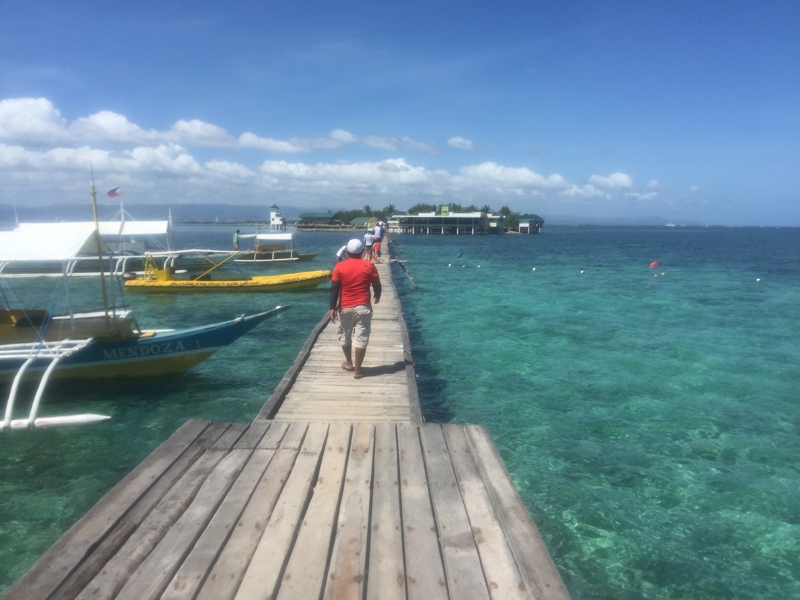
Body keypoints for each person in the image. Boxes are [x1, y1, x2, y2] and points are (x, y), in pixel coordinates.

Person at [329, 239, 381, 379]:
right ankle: (357, 371)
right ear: (362, 251)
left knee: (345, 335)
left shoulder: (339, 266)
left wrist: (332, 307)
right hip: (363, 307)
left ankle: (348, 363)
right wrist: (377, 295)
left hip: (345, 307)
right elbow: (377, 284)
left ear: (347, 252)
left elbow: (334, 288)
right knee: (361, 338)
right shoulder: (369, 265)